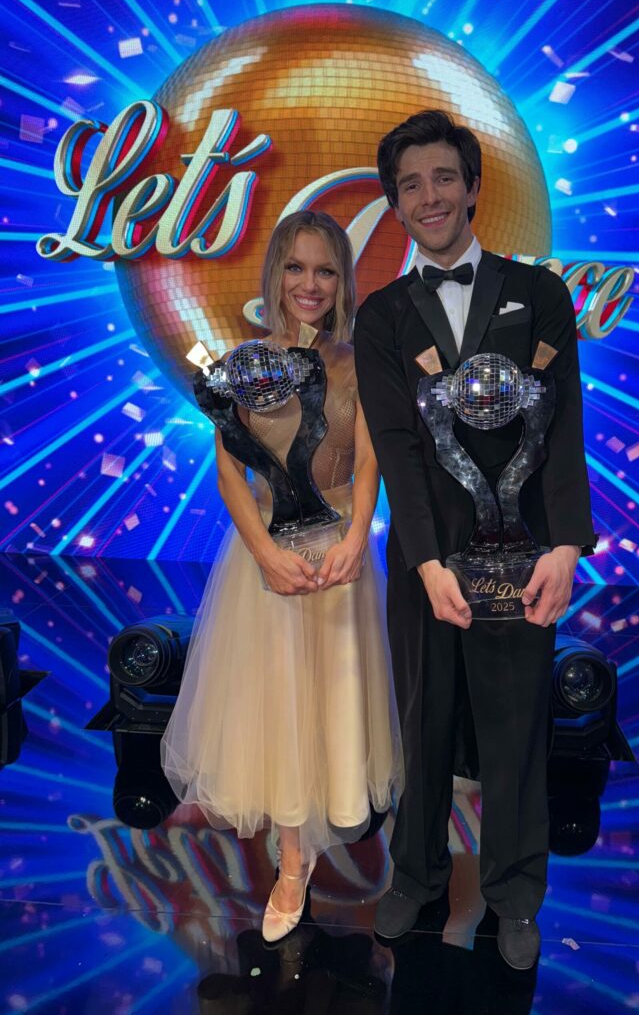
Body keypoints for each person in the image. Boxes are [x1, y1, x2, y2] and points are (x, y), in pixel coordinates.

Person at [354, 111, 597, 970]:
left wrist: (566, 546)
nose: (429, 197)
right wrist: (425, 562)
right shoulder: (381, 316)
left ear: (473, 187)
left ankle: (516, 892)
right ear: (395, 203)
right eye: (410, 185)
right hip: (425, 558)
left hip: (524, 553)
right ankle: (416, 875)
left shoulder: (541, 294)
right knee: (423, 722)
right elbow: (396, 448)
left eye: (444, 178)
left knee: (516, 726)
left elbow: (562, 427)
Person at [162, 210, 401, 943]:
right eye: (296, 267)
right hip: (265, 554)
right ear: (275, 275)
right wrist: (264, 552)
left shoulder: (359, 361)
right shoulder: (242, 363)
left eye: (325, 270)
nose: (310, 284)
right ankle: (292, 861)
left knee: (331, 699)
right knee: (280, 703)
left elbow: (369, 460)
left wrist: (357, 538)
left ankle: (318, 831)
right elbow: (227, 471)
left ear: (343, 281)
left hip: (339, 550)